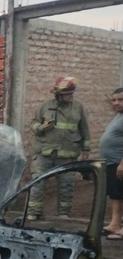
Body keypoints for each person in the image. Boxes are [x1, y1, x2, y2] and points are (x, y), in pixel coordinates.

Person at [27, 77, 91, 221]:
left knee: (66, 185)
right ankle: (34, 212)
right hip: (44, 153)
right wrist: (40, 127)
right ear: (58, 95)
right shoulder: (45, 106)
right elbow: (33, 123)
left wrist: (86, 149)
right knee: (37, 182)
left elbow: (85, 129)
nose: (71, 96)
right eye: (68, 94)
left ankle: (64, 213)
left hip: (67, 155)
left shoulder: (79, 108)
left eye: (72, 93)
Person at [100, 88, 123, 239]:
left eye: (120, 100)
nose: (116, 103)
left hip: (119, 162)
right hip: (112, 162)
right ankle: (115, 223)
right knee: (116, 194)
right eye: (114, 100)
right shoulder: (119, 116)